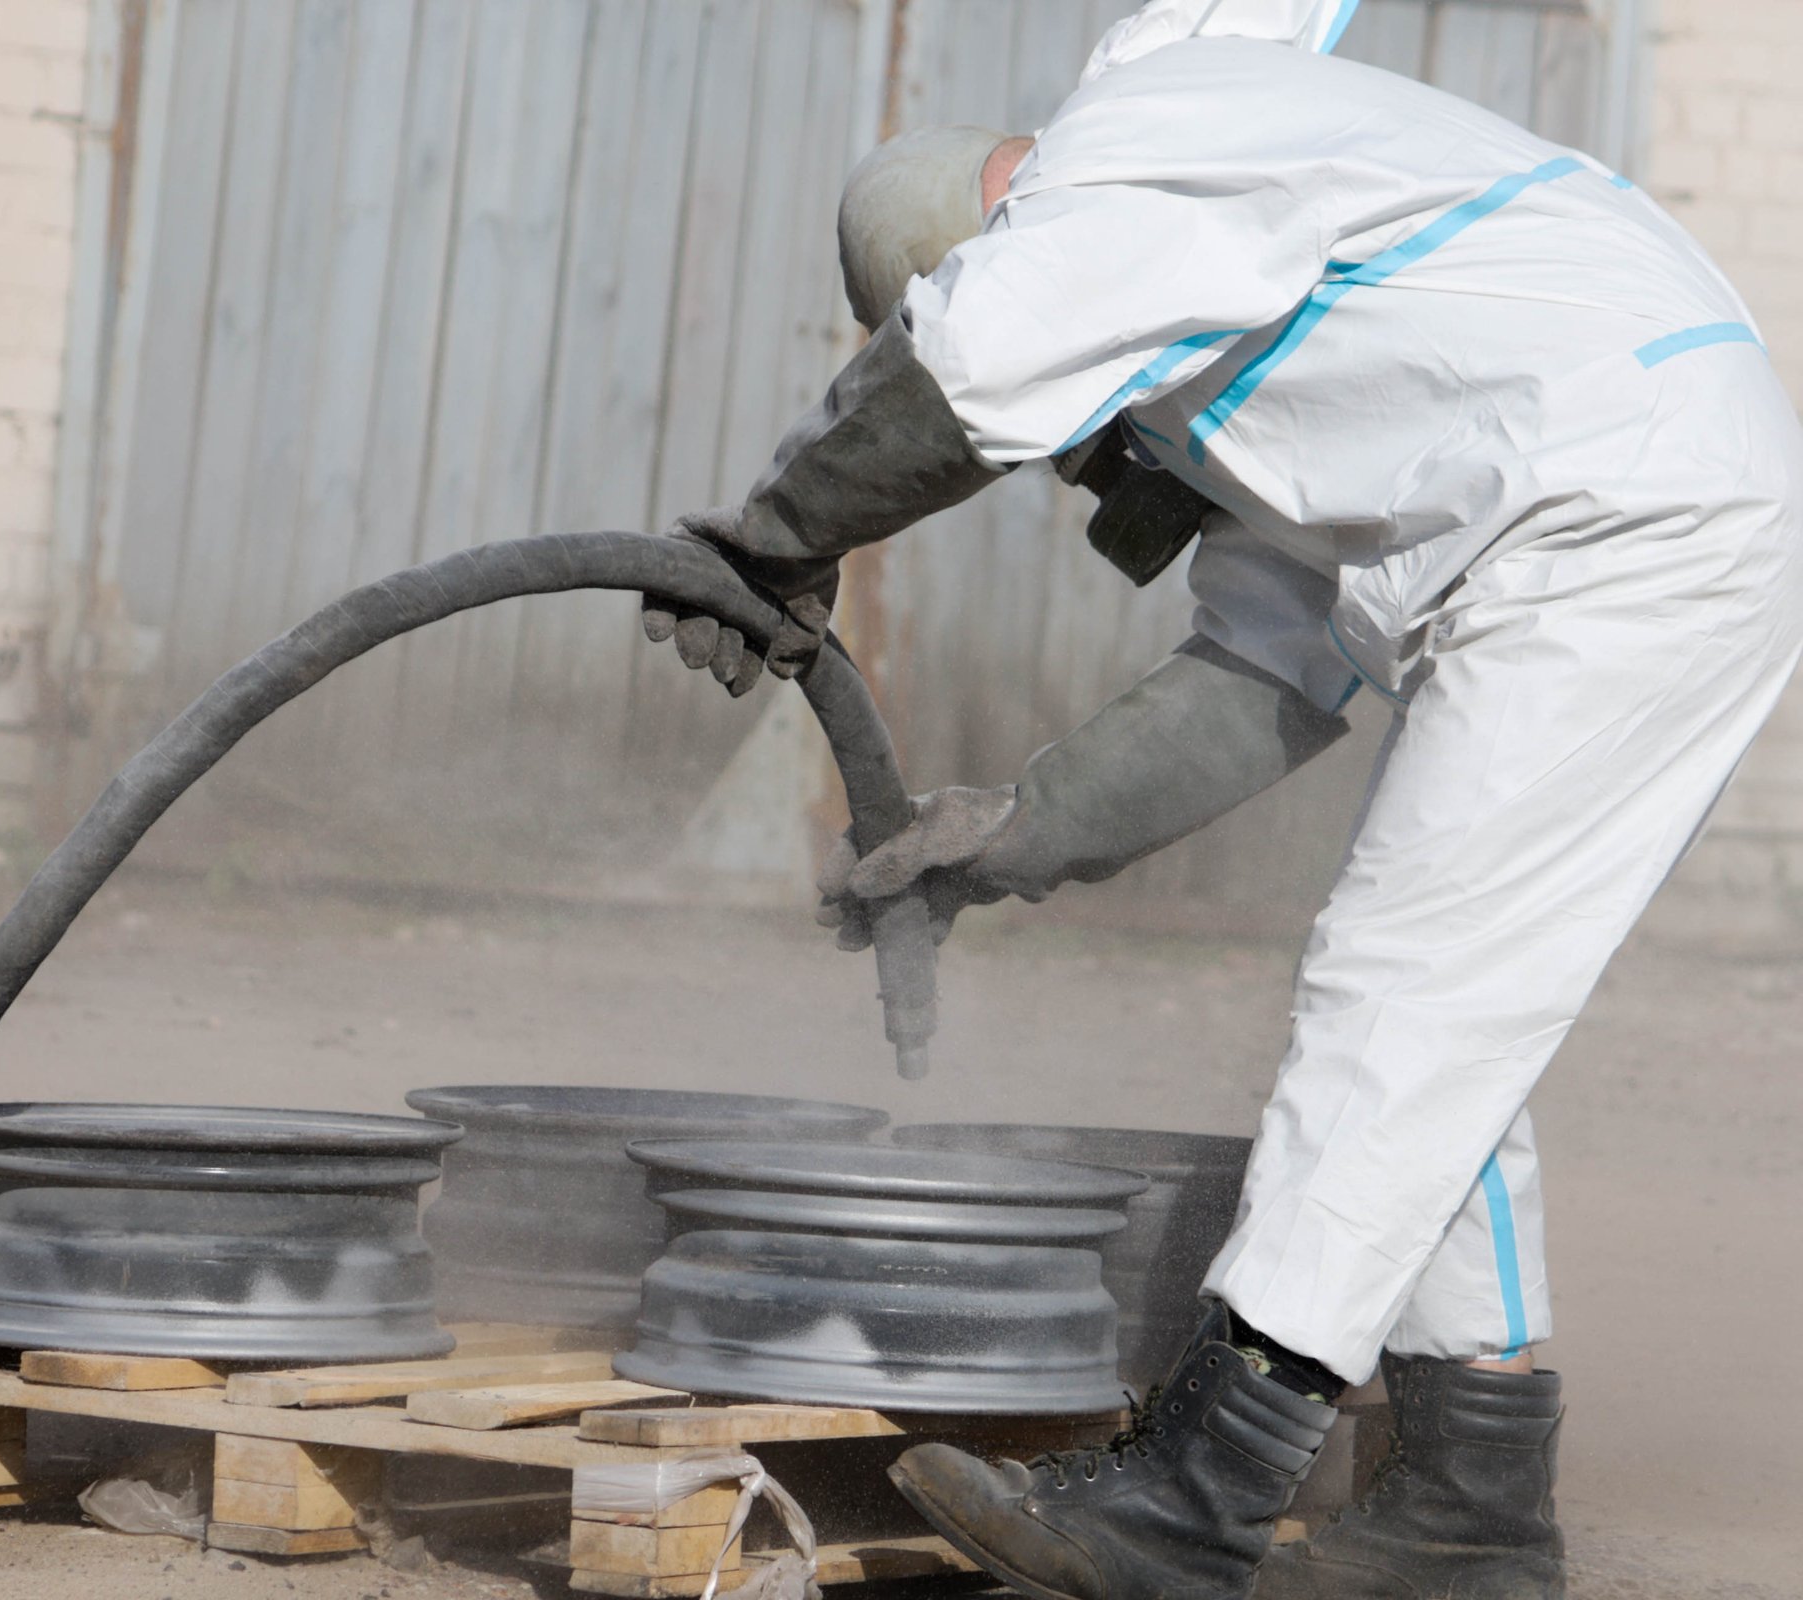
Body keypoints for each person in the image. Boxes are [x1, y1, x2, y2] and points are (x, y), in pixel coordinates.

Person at [639, 1, 1803, 1596]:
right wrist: (1013, 837)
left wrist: (775, 534)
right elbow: (1264, 678)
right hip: (1616, 486)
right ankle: (1468, 1496)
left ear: (994, 243)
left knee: (1407, 986)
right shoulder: (1255, 306)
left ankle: (1196, 1491)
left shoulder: (1126, 164)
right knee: (1450, 1010)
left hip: (1622, 508)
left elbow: (972, 364)